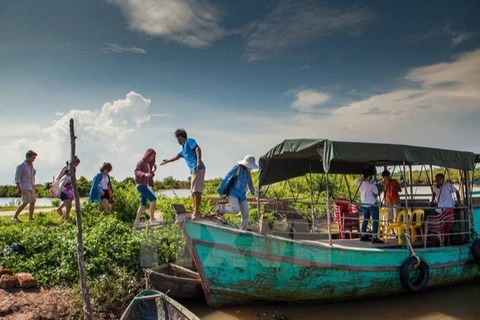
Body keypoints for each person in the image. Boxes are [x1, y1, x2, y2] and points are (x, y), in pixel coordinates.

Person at [161, 129, 205, 220]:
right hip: (193, 170)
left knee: (196, 191)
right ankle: (196, 211)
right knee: (193, 191)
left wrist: (198, 161)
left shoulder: (189, 141)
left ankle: (197, 213)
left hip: (198, 168)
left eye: (177, 138)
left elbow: (197, 148)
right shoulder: (183, 150)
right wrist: (167, 161)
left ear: (180, 137)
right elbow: (176, 157)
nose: (177, 141)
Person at [216, 155, 258, 230]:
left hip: (242, 195)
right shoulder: (237, 169)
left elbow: (250, 183)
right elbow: (227, 178)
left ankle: (242, 231)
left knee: (246, 213)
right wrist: (221, 190)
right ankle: (221, 208)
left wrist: (253, 192)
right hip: (233, 193)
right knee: (236, 209)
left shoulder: (248, 173)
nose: (251, 168)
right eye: (250, 166)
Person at [134, 148, 161, 228]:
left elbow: (149, 175)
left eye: (153, 157)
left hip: (144, 185)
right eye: (151, 156)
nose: (152, 158)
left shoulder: (148, 165)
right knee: (153, 199)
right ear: (147, 155)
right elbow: (136, 171)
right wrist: (144, 174)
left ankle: (136, 222)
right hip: (140, 185)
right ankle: (152, 219)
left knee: (143, 204)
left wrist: (153, 171)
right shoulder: (141, 162)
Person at [11, 150, 38, 222]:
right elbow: (17, 178)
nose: (33, 160)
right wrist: (19, 188)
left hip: (31, 186)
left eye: (34, 158)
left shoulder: (32, 167)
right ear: (28, 157)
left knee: (33, 202)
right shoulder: (21, 166)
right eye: (33, 158)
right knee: (25, 202)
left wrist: (34, 186)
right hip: (24, 186)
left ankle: (30, 217)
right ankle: (14, 216)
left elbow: (32, 177)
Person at [357, 171, 382, 243]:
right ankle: (374, 237)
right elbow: (377, 193)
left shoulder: (360, 183)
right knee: (375, 220)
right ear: (369, 177)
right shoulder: (371, 185)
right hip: (372, 204)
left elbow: (357, 182)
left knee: (365, 220)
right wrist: (381, 190)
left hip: (364, 204)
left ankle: (363, 235)